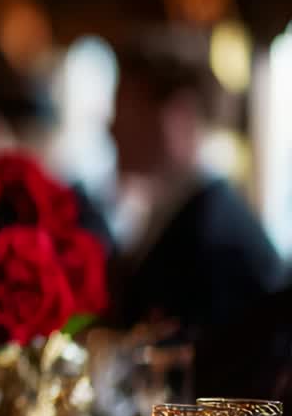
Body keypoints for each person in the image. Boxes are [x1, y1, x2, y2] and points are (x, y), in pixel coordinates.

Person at [108, 32, 283, 341]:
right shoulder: (187, 209)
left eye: (126, 109)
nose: (112, 127)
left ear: (179, 116)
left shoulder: (213, 232)